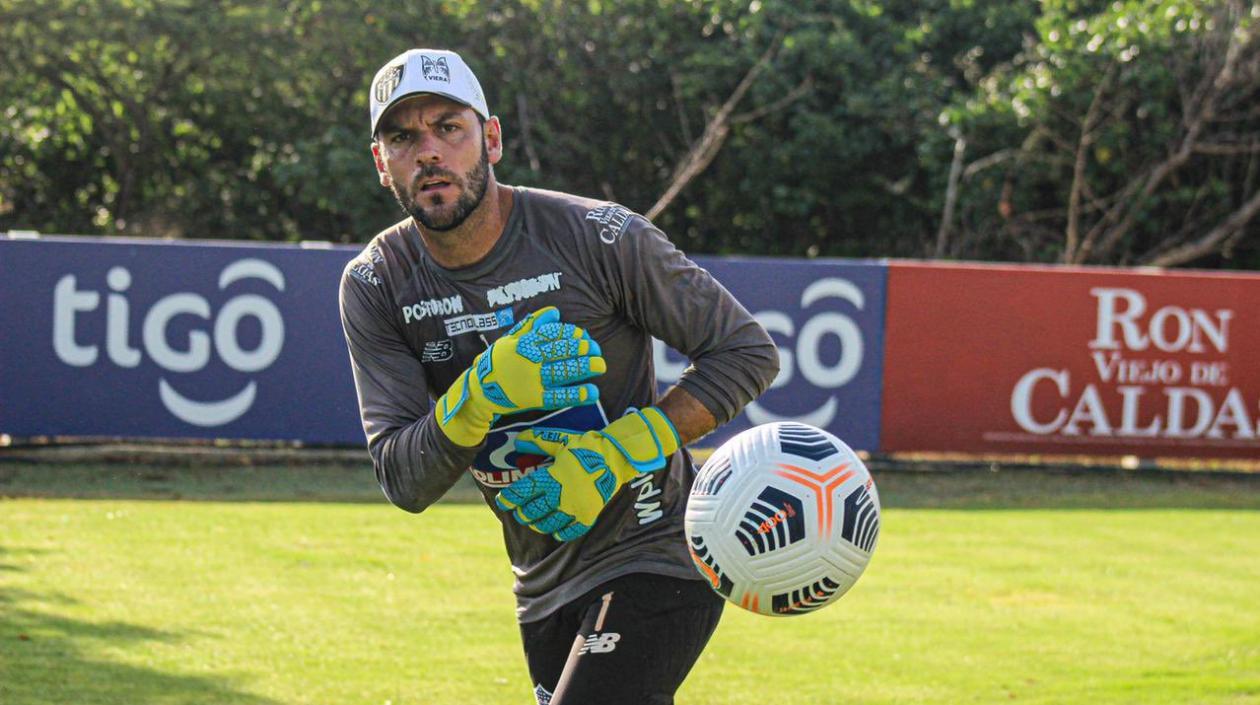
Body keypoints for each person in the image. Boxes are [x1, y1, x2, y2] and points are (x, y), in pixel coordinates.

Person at [339, 47, 779, 705]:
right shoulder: (377, 283)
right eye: (403, 136)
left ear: (491, 139)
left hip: (657, 551)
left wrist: (618, 450)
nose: (428, 151)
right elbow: (404, 479)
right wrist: (477, 397)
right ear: (382, 164)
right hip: (541, 578)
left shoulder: (599, 237)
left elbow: (746, 351)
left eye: (448, 127)